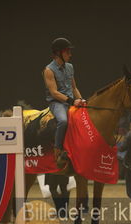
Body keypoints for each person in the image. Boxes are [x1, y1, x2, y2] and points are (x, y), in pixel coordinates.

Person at [43, 38, 85, 166]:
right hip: (57, 103)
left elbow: (74, 88)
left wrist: (81, 100)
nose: (70, 55)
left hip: (72, 101)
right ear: (58, 53)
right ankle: (57, 149)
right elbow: (54, 93)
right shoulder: (48, 70)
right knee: (63, 121)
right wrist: (72, 101)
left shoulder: (70, 67)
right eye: (67, 52)